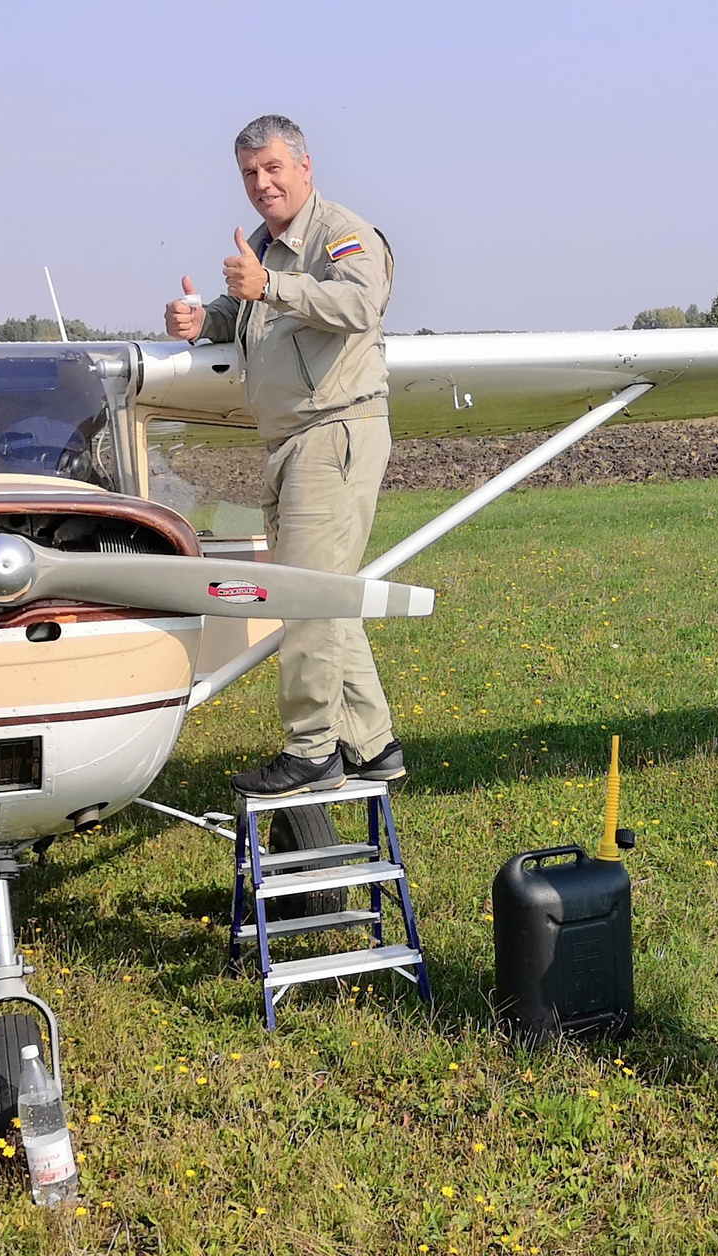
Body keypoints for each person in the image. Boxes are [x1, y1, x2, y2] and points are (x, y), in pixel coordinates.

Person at [165, 114, 405, 798]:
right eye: (249, 174)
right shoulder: (265, 250)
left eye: (272, 169)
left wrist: (267, 287)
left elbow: (362, 303)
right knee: (326, 595)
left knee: (305, 599)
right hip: (289, 442)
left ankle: (311, 750)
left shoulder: (341, 234)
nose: (262, 184)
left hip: (333, 432)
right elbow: (238, 313)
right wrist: (196, 320)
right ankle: (373, 743)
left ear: (306, 167)